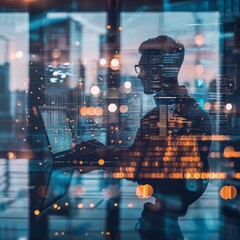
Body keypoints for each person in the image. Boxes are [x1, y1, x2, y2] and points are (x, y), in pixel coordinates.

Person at [70, 35, 212, 240]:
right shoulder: (172, 110)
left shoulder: (174, 114)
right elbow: (146, 159)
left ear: (160, 70)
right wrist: (103, 154)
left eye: (143, 67)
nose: (140, 75)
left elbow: (144, 164)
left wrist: (100, 156)